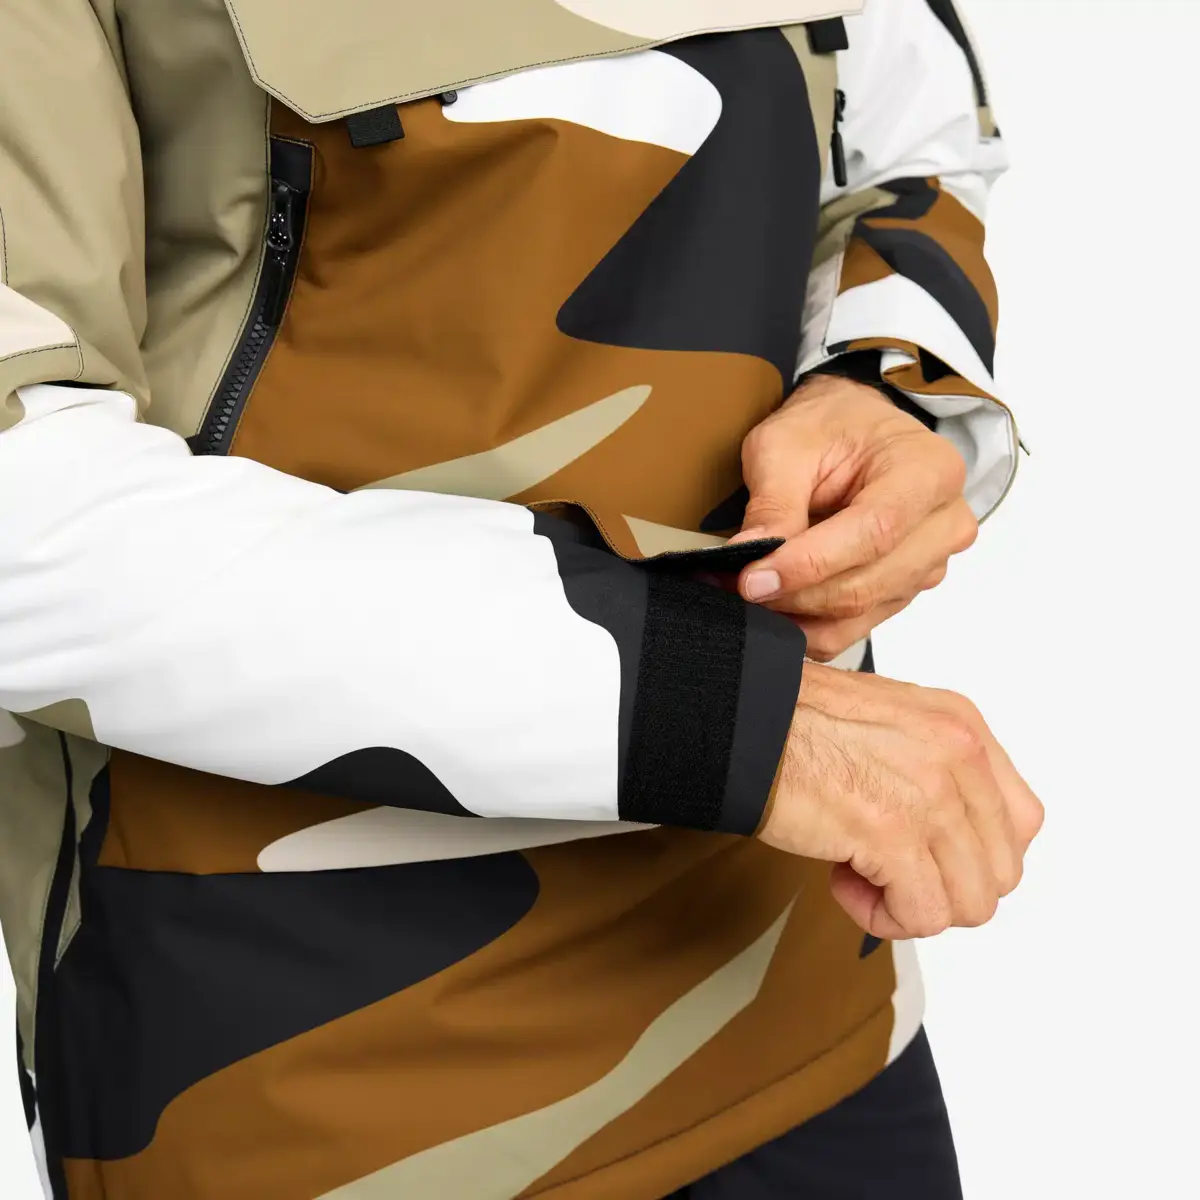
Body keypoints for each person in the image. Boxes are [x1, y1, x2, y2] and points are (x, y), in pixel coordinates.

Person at [0, 1, 1042, 1197]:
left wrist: (882, 381)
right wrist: (721, 711)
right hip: (330, 1083)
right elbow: (26, 517)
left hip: (805, 983)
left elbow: (909, 118)